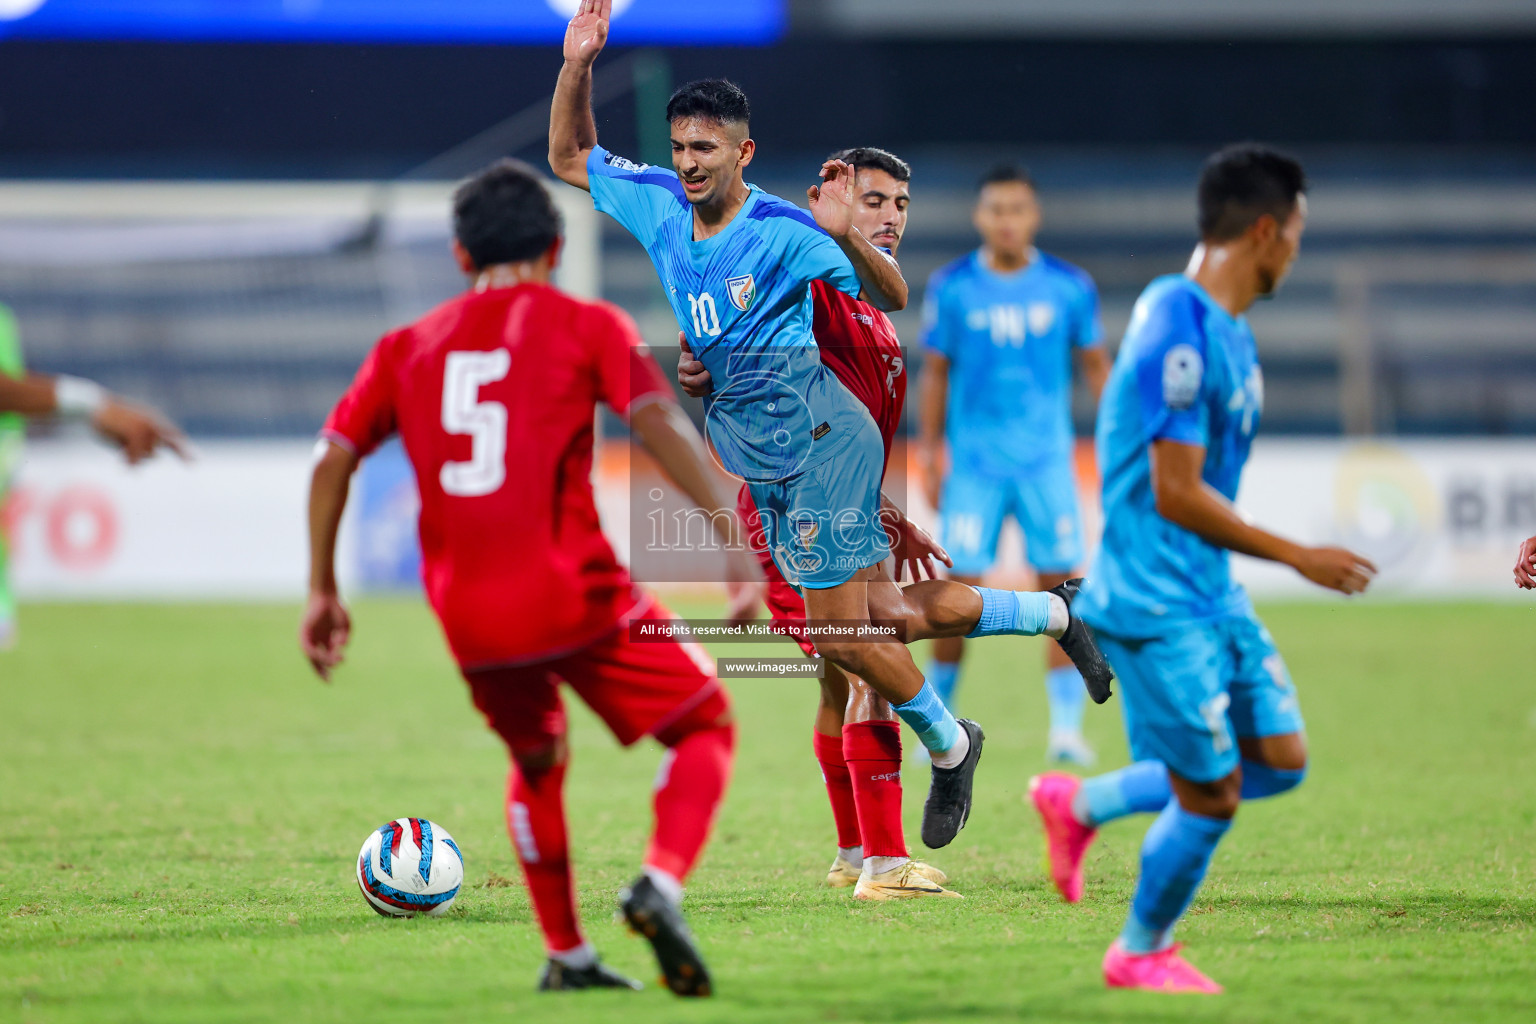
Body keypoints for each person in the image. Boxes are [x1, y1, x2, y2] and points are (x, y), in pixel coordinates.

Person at [549, 0, 1112, 854]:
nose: (690, 163)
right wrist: (580, 61)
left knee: (841, 637)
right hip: (773, 458)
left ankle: (938, 766)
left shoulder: (786, 232)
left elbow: (887, 294)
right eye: (681, 149)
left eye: (707, 149)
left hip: (816, 450)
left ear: (744, 152)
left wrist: (846, 237)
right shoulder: (661, 205)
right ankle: (1049, 618)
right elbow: (568, 155)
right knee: (873, 625)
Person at [300, 159, 765, 997]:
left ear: (458, 255)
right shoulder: (586, 324)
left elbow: (332, 458)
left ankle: (568, 955)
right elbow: (656, 416)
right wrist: (729, 539)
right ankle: (658, 884)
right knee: (707, 728)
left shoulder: (405, 347)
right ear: (556, 248)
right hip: (574, 592)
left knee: (539, 753)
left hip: (468, 616)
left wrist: (323, 588)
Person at [1027, 144, 1377, 993]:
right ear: (1265, 231)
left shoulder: (1231, 333)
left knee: (1280, 759)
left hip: (1208, 591)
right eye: (1295, 234)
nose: (1297, 251)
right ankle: (1140, 951)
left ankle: (1080, 803)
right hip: (1154, 600)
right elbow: (1176, 491)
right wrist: (1298, 555)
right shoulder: (1175, 322)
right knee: (1213, 794)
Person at [677, 147, 960, 899]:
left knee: (842, 678)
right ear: (829, 201)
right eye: (873, 201)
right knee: (868, 651)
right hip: (792, 504)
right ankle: (889, 857)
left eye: (900, 203)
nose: (890, 216)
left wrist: (882, 509)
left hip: (839, 502)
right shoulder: (807, 273)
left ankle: (853, 854)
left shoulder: (864, 299)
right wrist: (703, 359)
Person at [919, 165, 1111, 767]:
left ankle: (1066, 729)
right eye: (996, 209)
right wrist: (928, 451)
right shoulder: (951, 288)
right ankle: (939, 723)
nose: (1007, 220)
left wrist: (1117, 445)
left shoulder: (1069, 287)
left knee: (1060, 588)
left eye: (1017, 209)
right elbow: (936, 372)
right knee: (951, 596)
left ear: (1034, 216)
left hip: (1046, 464)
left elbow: (1096, 367)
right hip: (973, 466)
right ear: (981, 217)